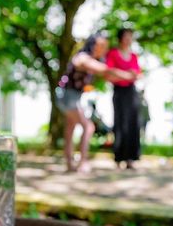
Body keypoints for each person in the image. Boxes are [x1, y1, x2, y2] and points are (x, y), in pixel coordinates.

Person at [56, 33, 136, 173]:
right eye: (101, 45)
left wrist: (125, 77)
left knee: (70, 128)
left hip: (70, 96)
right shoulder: (83, 58)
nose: (104, 48)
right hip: (68, 96)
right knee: (88, 127)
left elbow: (107, 75)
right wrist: (128, 75)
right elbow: (105, 70)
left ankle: (70, 163)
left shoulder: (91, 60)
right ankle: (83, 162)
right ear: (93, 45)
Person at [106, 28, 142, 170]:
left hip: (131, 92)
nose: (129, 39)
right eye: (126, 36)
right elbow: (108, 73)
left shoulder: (133, 56)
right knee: (120, 122)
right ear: (120, 38)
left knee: (133, 123)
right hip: (119, 92)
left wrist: (123, 74)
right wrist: (127, 75)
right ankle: (119, 157)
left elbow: (138, 74)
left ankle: (131, 158)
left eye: (130, 37)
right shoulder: (113, 53)